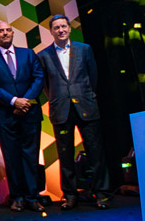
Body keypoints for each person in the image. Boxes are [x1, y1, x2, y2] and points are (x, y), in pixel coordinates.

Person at [38, 14, 111, 209]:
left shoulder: (84, 49)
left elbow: (92, 76)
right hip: (61, 109)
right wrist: (57, 97)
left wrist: (85, 94)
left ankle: (102, 193)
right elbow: (45, 85)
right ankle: (70, 195)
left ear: (69, 28)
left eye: (64, 26)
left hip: (86, 106)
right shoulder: (43, 56)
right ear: (51, 31)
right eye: (56, 28)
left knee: (96, 152)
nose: (61, 30)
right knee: (65, 155)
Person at [0, 21, 46, 212]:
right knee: (11, 157)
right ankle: (17, 197)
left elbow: (38, 78)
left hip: (30, 113)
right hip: (4, 115)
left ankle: (32, 197)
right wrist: (13, 101)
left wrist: (24, 101)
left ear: (13, 33)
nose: (5, 33)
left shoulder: (29, 54)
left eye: (8, 30)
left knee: (31, 156)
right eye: (0, 31)